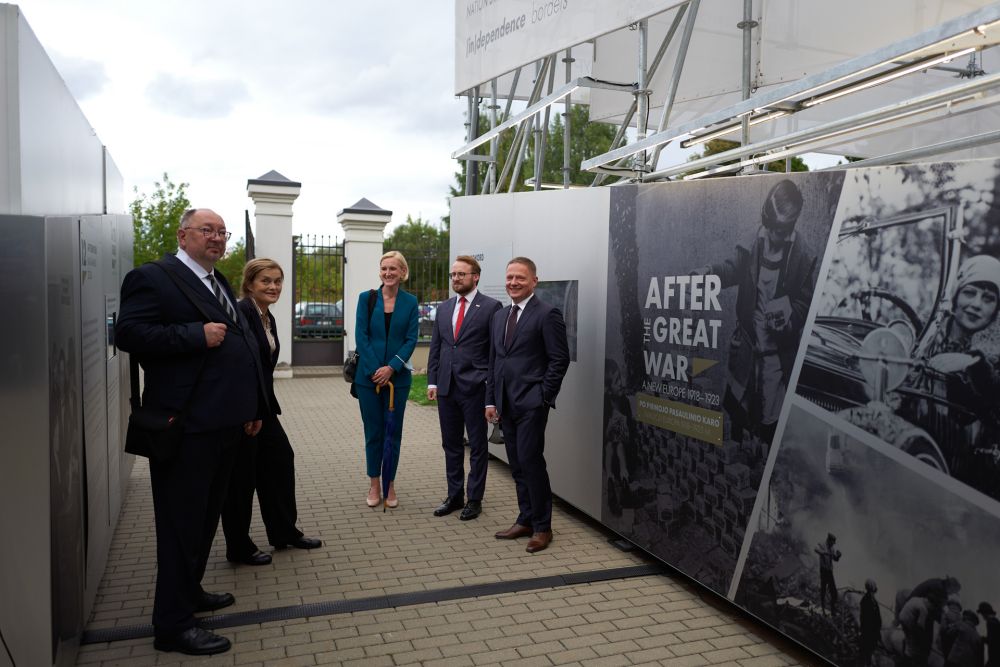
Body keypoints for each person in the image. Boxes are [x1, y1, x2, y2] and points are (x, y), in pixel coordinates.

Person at [115, 208, 265, 655]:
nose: (217, 238)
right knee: (181, 527)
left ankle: (191, 593)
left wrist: (251, 405)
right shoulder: (153, 277)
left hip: (224, 423)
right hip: (185, 427)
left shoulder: (216, 280)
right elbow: (129, 334)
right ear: (183, 236)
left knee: (203, 521)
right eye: (207, 230)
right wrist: (193, 335)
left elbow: (241, 348)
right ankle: (173, 626)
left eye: (222, 232)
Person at [695, 179, 818, 445]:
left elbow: (806, 303)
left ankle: (762, 466)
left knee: (770, 415)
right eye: (775, 230)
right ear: (766, 222)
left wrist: (790, 313)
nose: (780, 238)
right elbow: (733, 269)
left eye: (787, 230)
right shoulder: (753, 243)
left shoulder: (803, 256)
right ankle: (739, 459)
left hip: (777, 352)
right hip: (749, 345)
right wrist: (710, 273)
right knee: (739, 401)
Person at [221, 258, 321, 566]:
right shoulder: (241, 313)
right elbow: (237, 368)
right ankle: (238, 547)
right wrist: (249, 411)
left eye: (278, 281)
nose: (274, 286)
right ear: (249, 283)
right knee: (241, 479)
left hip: (262, 408)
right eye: (266, 281)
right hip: (241, 411)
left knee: (279, 463)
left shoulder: (266, 317)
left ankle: (283, 532)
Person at [486, 257, 570, 553]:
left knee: (531, 462)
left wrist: (543, 397)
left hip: (531, 404)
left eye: (520, 278)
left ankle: (543, 527)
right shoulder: (500, 316)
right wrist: (491, 400)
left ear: (534, 280)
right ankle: (525, 518)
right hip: (505, 404)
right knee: (517, 464)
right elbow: (495, 361)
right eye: (509, 277)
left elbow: (559, 359)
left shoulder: (547, 314)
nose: (513, 283)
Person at [427, 255, 502, 520]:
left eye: (461, 274)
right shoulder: (445, 308)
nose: (456, 278)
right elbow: (437, 346)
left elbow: (495, 352)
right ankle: (455, 496)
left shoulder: (492, 307)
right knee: (451, 445)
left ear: (475, 276)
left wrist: (490, 389)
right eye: (453, 275)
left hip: (475, 388)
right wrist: (432, 381)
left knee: (478, 446)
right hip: (446, 387)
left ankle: (475, 499)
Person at [355, 251, 419, 508]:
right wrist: (375, 370)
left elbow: (411, 339)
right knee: (374, 433)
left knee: (393, 433)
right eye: (384, 269)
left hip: (398, 380)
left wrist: (391, 367)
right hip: (368, 379)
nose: (388, 273)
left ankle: (390, 484)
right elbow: (362, 336)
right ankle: (374, 484)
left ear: (403, 272)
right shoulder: (366, 299)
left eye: (393, 269)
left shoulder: (411, 302)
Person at [814, 532, 841, 615]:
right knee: (823, 590)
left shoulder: (832, 548)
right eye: (832, 542)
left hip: (829, 571)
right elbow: (815, 549)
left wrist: (838, 556)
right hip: (823, 571)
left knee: (834, 592)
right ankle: (822, 609)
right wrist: (824, 552)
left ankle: (833, 610)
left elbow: (834, 559)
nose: (833, 544)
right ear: (829, 540)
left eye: (833, 543)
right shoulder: (822, 544)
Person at [859, 578, 882, 666]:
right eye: (874, 586)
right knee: (867, 651)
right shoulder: (866, 600)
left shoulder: (872, 600)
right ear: (871, 588)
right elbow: (866, 619)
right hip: (869, 632)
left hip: (872, 632)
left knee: (869, 650)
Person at [979, 602, 1000, 667]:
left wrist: (982, 639)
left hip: (995, 657)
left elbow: (992, 641)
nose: (982, 616)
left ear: (985, 613)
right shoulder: (996, 621)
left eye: (982, 613)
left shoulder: (990, 622)